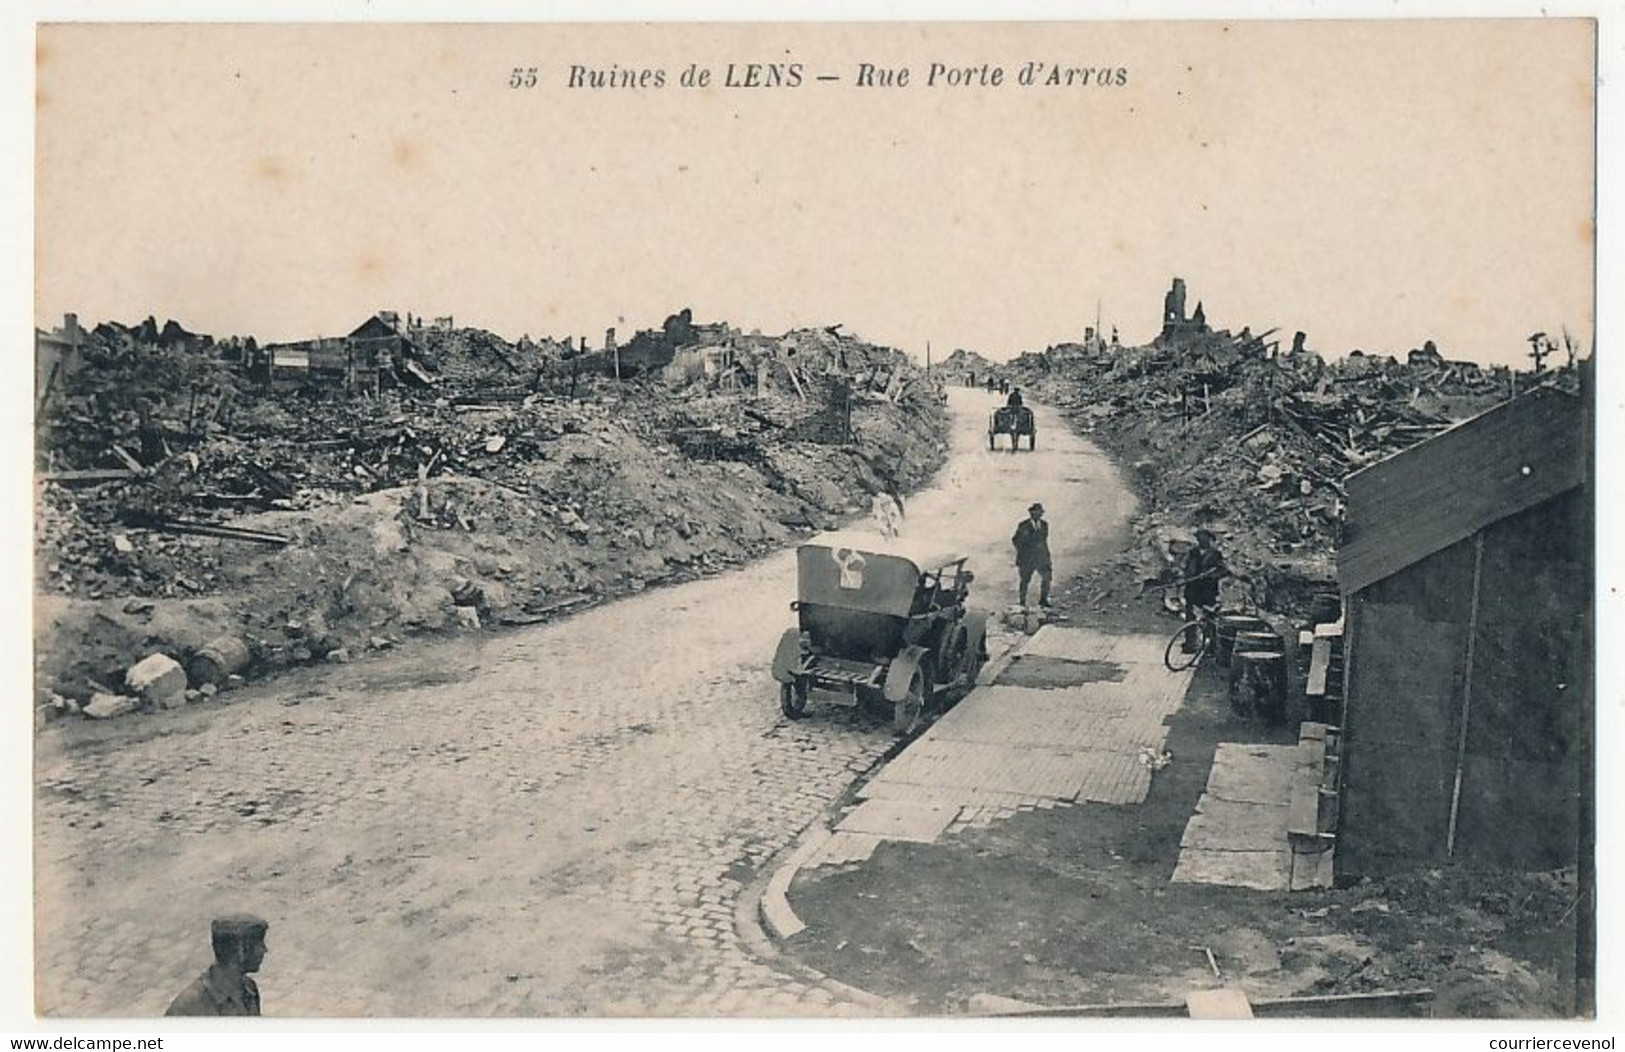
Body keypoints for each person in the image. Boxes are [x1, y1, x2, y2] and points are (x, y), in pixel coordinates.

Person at [166, 914, 269, 1017]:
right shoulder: (188, 1007)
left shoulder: (250, 990)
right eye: (258, 943)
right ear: (238, 949)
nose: (264, 950)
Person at [1180, 529, 1228, 648]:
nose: (1201, 539)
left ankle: (1210, 644)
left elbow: (1223, 571)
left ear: (1209, 538)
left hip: (1208, 591)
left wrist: (1209, 576)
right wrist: (1187, 576)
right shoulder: (1193, 552)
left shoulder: (1215, 554)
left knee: (1209, 617)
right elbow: (1187, 568)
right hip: (1192, 589)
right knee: (1190, 616)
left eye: (1204, 537)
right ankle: (1190, 643)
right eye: (1199, 537)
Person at [1012, 503, 1052, 608]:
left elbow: (1043, 541)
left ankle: (1043, 600)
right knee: (1025, 581)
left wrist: (1046, 556)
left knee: (1047, 578)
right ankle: (1022, 601)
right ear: (1031, 513)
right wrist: (1023, 552)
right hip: (1027, 559)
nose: (1038, 514)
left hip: (1041, 558)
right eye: (1036, 512)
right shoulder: (1023, 525)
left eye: (1040, 512)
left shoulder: (1044, 525)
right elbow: (1016, 540)